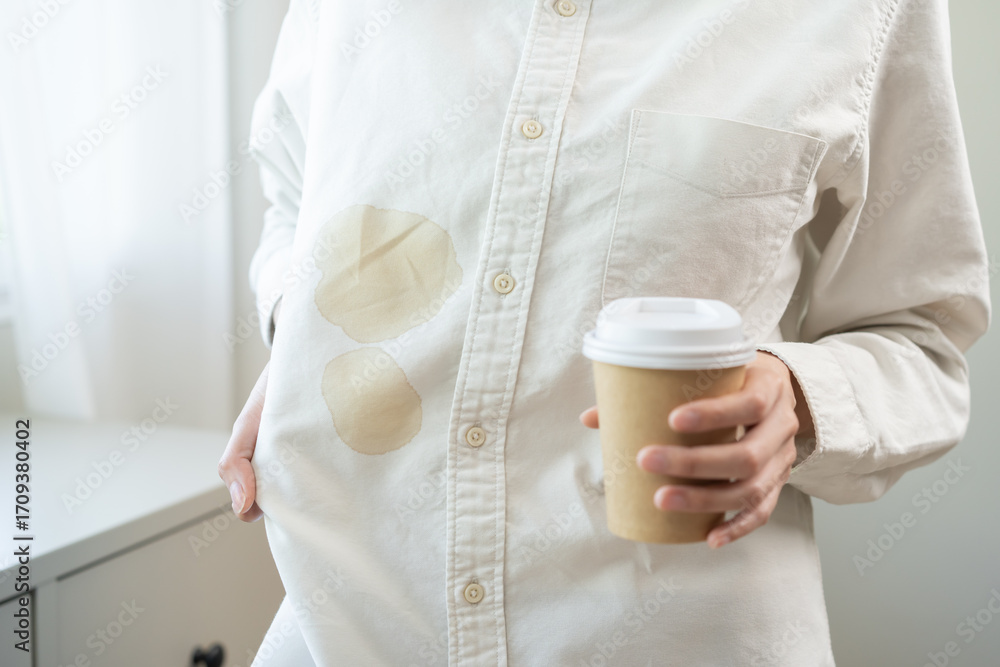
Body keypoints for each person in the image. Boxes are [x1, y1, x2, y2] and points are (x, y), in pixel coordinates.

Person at [217, 1, 991, 664]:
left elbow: (921, 333)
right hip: (346, 627)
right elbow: (294, 196)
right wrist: (304, 333)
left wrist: (800, 399)